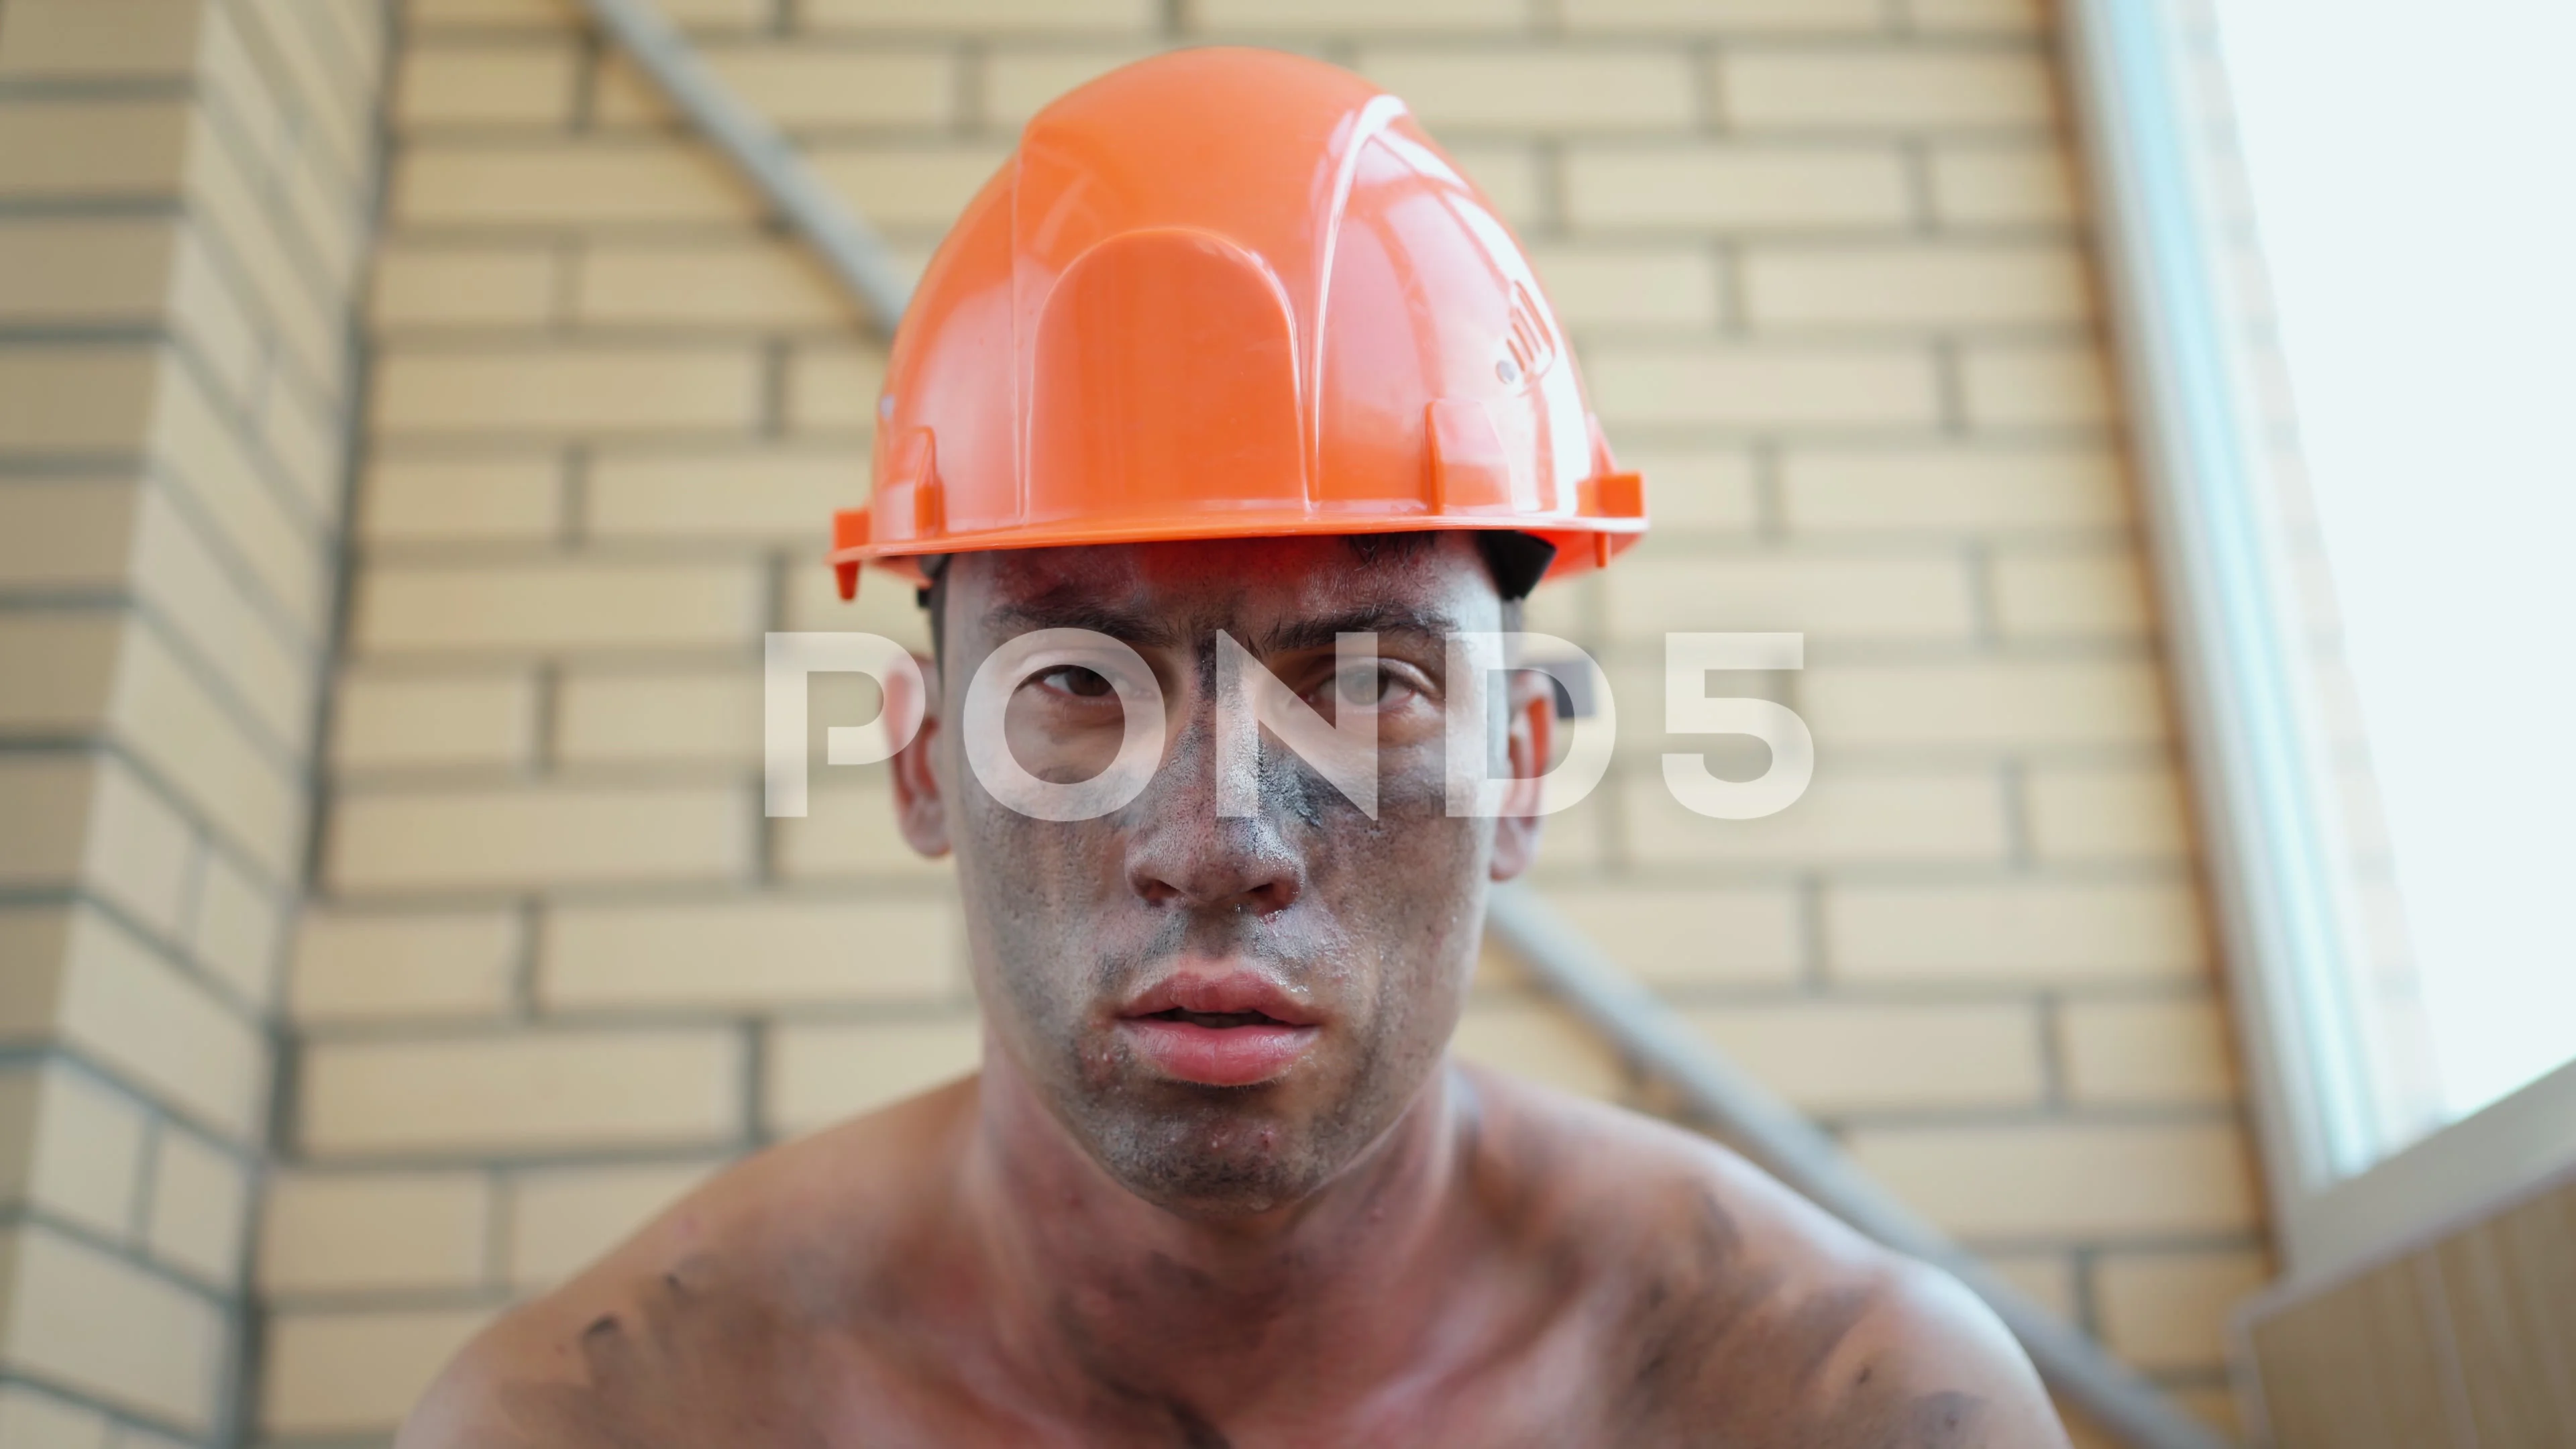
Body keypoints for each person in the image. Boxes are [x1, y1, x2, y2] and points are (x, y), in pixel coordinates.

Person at [400, 48, 2070, 1448]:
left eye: (1361, 686)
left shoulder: (1835, 1401)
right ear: (920, 765)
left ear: (1524, 772)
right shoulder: (606, 1416)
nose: (1217, 842)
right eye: (1076, 683)